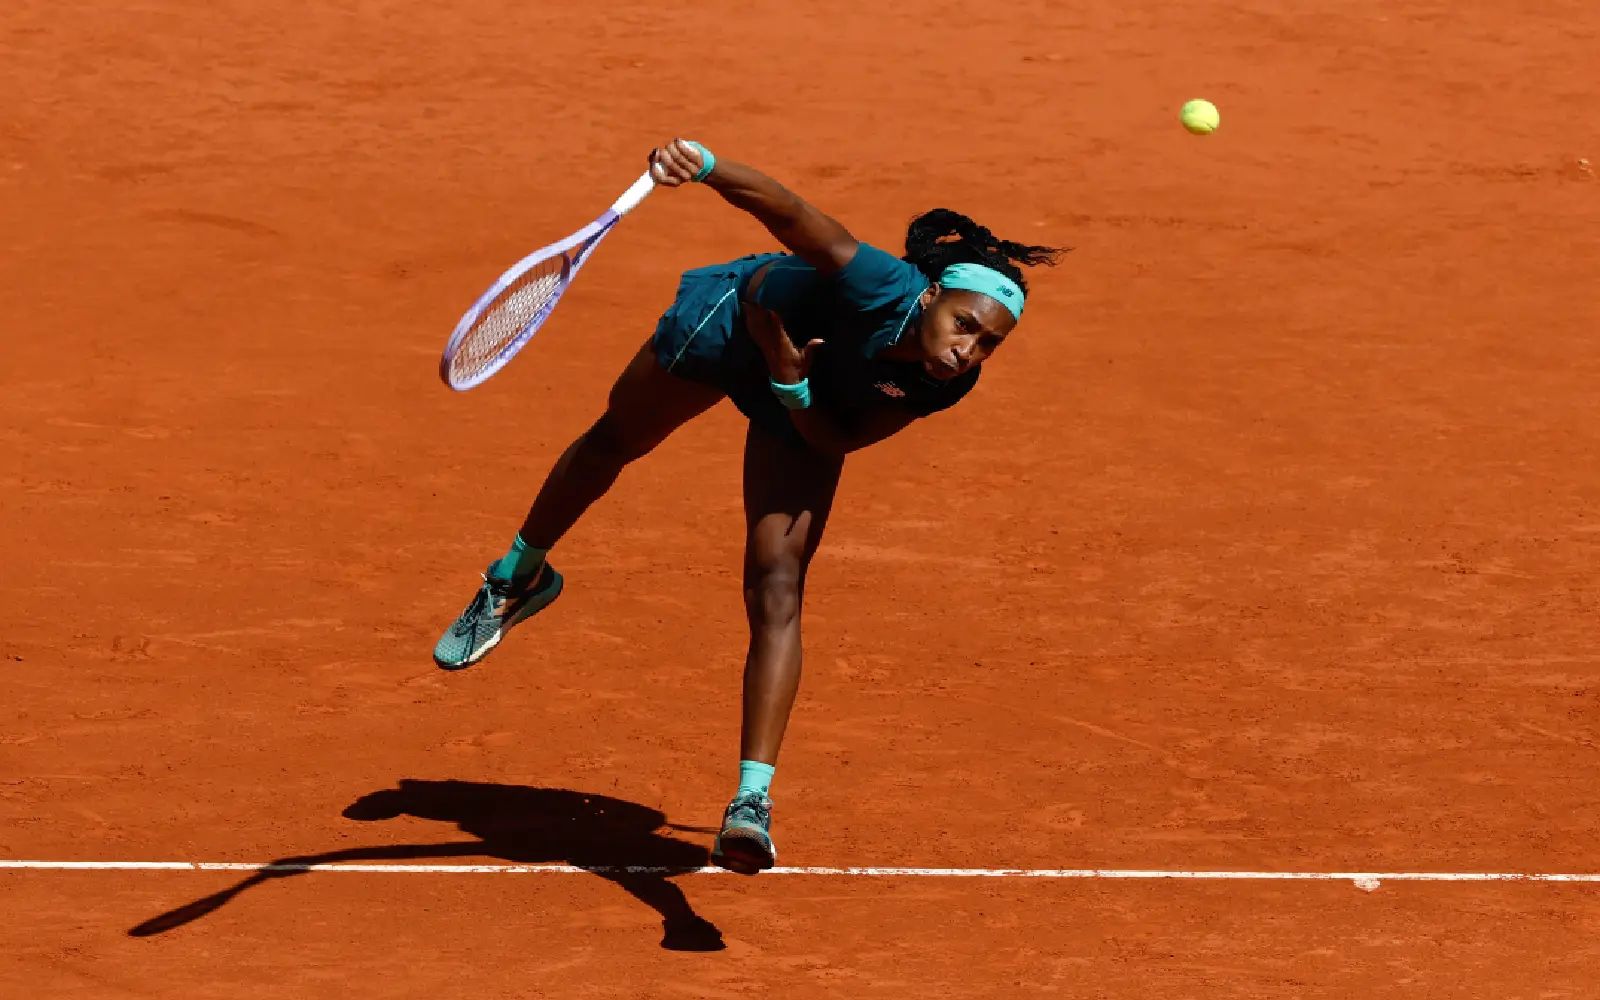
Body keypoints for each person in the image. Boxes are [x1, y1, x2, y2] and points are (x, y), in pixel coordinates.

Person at [433, 138, 1063, 874]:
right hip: (734, 325)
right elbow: (790, 213)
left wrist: (792, 386)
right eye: (964, 324)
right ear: (930, 296)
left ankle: (750, 803)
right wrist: (705, 166)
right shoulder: (876, 284)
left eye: (987, 344)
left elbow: (837, 437)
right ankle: (517, 576)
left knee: (777, 582)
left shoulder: (941, 383)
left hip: (802, 388)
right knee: (614, 442)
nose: (968, 350)